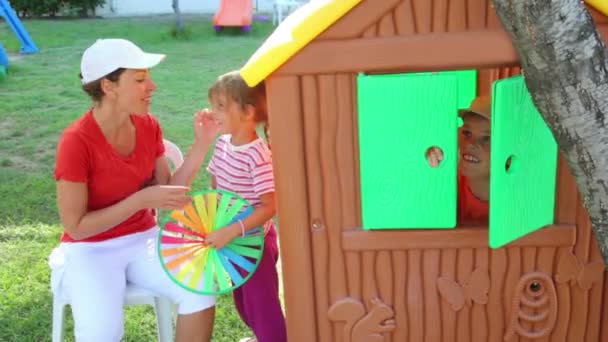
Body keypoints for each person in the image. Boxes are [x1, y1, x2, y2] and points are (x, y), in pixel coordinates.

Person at [49, 38, 217, 342]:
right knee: (102, 334)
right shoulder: (76, 142)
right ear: (108, 87)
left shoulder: (148, 125)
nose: (152, 86)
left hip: (143, 241)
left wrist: (202, 143)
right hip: (91, 249)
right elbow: (77, 227)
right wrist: (139, 201)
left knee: (200, 288)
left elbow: (166, 191)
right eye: (140, 79)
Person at [203, 70, 287, 342]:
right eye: (212, 104)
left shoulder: (256, 154)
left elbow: (269, 206)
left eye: (221, 106)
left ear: (248, 112)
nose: (212, 112)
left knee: (263, 307)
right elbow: (216, 184)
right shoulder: (223, 144)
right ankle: (260, 336)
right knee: (243, 301)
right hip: (232, 240)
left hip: (255, 243)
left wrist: (232, 229)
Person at [428, 95, 491, 223]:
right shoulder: (449, 179)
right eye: (467, 133)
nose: (470, 144)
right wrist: (431, 166)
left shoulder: (519, 195)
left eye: (487, 138)